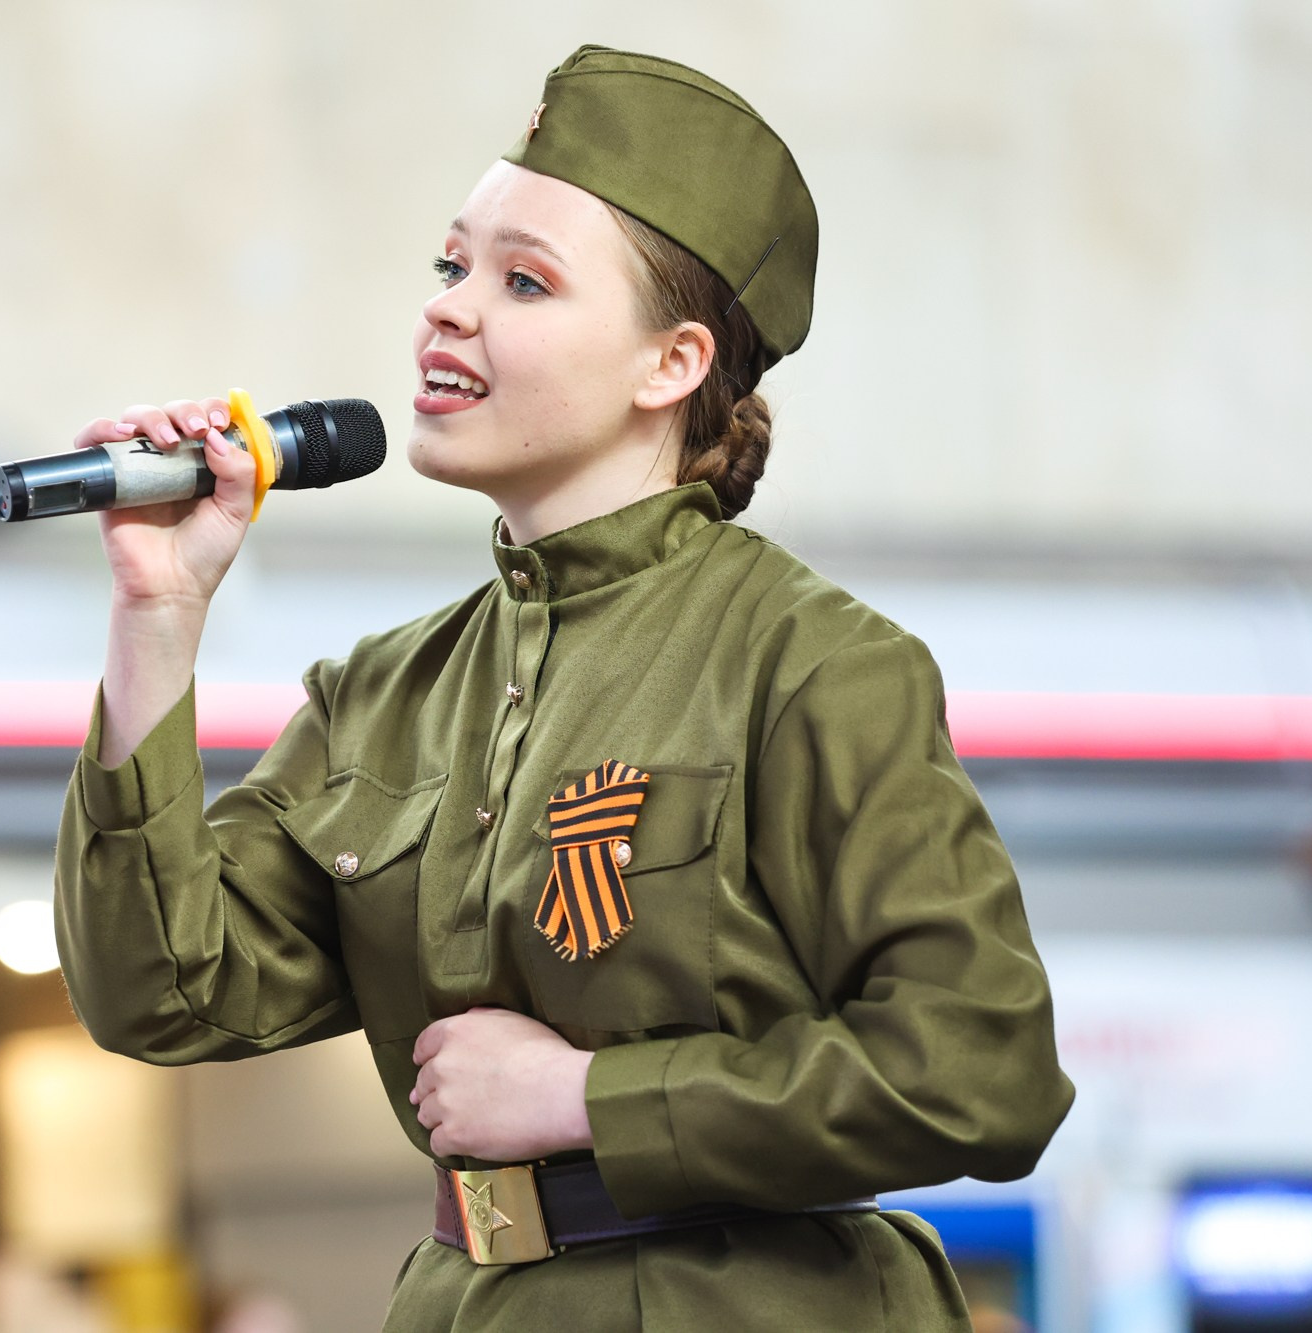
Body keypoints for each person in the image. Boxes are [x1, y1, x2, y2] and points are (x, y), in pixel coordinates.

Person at [52, 43, 1073, 1331]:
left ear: (673, 365)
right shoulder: (385, 693)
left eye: (524, 281)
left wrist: (588, 1098)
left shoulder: (813, 667)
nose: (449, 309)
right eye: (451, 264)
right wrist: (159, 613)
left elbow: (983, 1072)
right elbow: (161, 991)